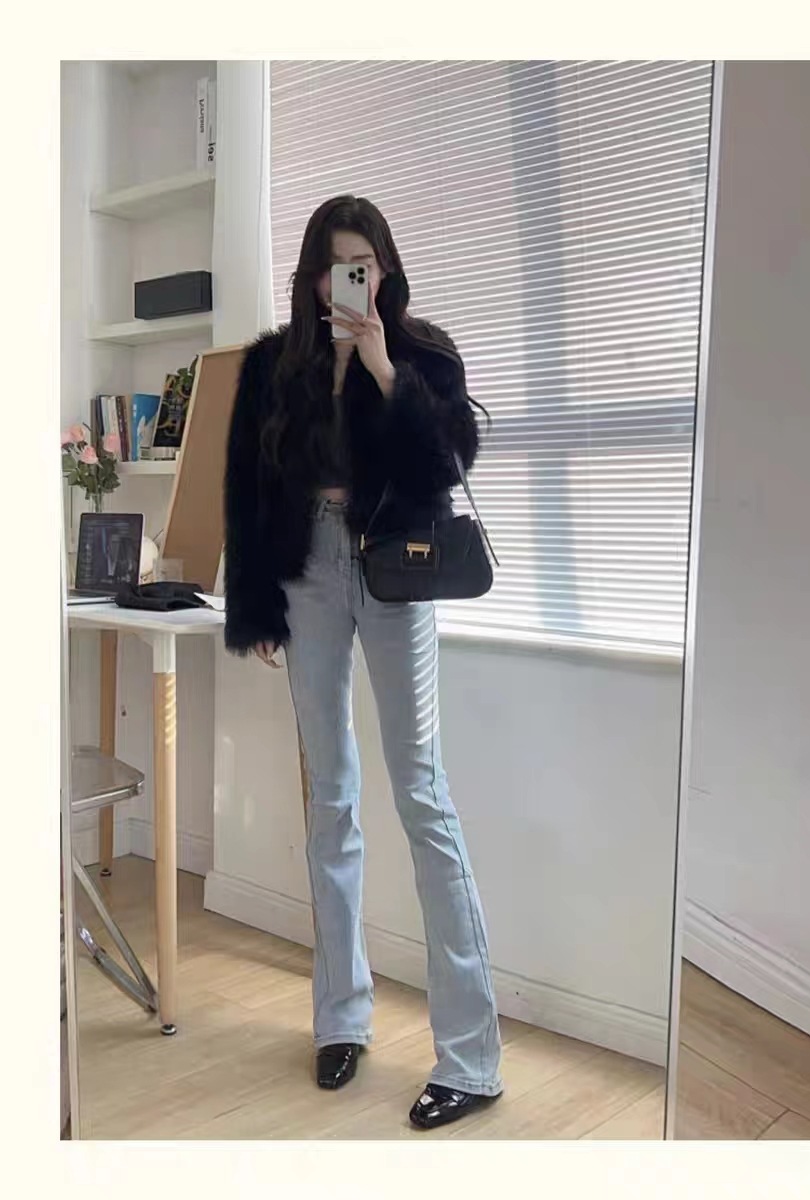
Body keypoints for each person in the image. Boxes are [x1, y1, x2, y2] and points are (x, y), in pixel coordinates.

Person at [223, 195, 503, 1131]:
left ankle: (472, 1057)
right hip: (305, 571)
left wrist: (383, 370)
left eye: (365, 264)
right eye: (335, 267)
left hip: (398, 570)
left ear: (384, 269)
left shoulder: (423, 353)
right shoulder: (273, 366)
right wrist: (257, 604)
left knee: (421, 793)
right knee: (331, 800)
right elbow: (248, 489)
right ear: (313, 279)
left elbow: (448, 464)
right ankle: (340, 1017)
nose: (350, 281)